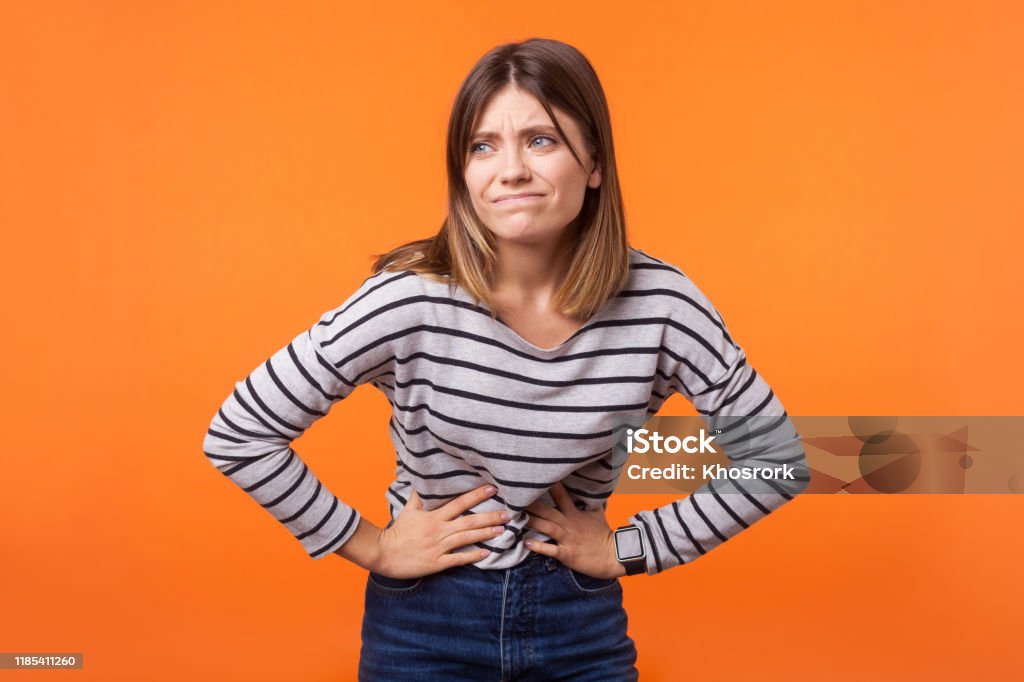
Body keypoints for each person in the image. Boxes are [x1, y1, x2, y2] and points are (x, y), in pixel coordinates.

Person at [202, 37, 809, 681]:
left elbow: (778, 460)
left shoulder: (662, 305)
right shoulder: (409, 299)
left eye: (541, 141)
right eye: (483, 146)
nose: (510, 169)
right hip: (425, 623)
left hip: (580, 620)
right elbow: (239, 435)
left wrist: (630, 550)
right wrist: (374, 546)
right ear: (463, 173)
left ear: (594, 161)